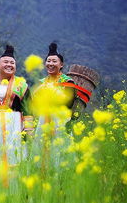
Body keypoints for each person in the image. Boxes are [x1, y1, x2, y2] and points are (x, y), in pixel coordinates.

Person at [31, 42, 76, 174]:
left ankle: (61, 179)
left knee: (60, 150)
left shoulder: (68, 81)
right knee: (42, 151)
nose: (50, 63)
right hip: (43, 121)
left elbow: (69, 103)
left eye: (54, 61)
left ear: (61, 65)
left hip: (60, 121)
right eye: (48, 61)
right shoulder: (41, 83)